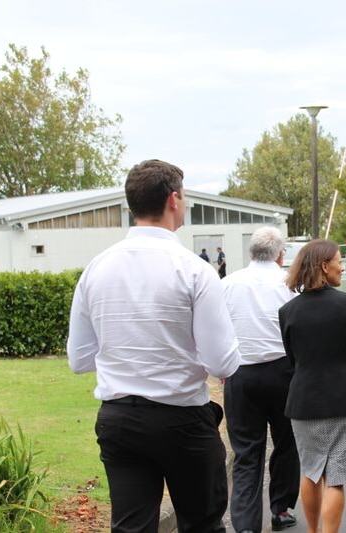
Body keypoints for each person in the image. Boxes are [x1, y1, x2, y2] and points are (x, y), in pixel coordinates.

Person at [67, 159, 241, 532]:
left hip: (120, 418)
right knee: (202, 524)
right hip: (181, 417)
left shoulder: (96, 268)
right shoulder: (194, 270)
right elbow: (221, 362)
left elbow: (79, 358)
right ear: (174, 199)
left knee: (131, 527)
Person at [278, 239, 346, 533]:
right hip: (344, 400)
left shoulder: (287, 311)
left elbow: (292, 357)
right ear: (323, 266)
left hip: (304, 402)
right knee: (336, 477)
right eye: (338, 262)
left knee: (310, 471)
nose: (342, 267)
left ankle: (312, 531)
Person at [222, 226, 300, 533]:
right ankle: (280, 509)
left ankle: (244, 525)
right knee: (286, 443)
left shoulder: (227, 283)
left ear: (250, 253)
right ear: (280, 254)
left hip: (241, 373)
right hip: (283, 372)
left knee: (246, 452)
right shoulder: (291, 285)